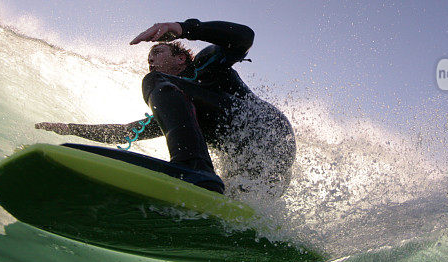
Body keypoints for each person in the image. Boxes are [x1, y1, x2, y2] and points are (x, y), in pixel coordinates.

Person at [36, 19, 296, 197]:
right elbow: (126, 132)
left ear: (180, 57)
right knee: (228, 206)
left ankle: (194, 168)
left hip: (265, 129)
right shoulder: (177, 106)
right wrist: (70, 128)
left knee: (155, 82)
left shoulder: (207, 63)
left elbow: (244, 37)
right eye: (149, 58)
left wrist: (183, 28)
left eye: (156, 53)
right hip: (260, 168)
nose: (150, 61)